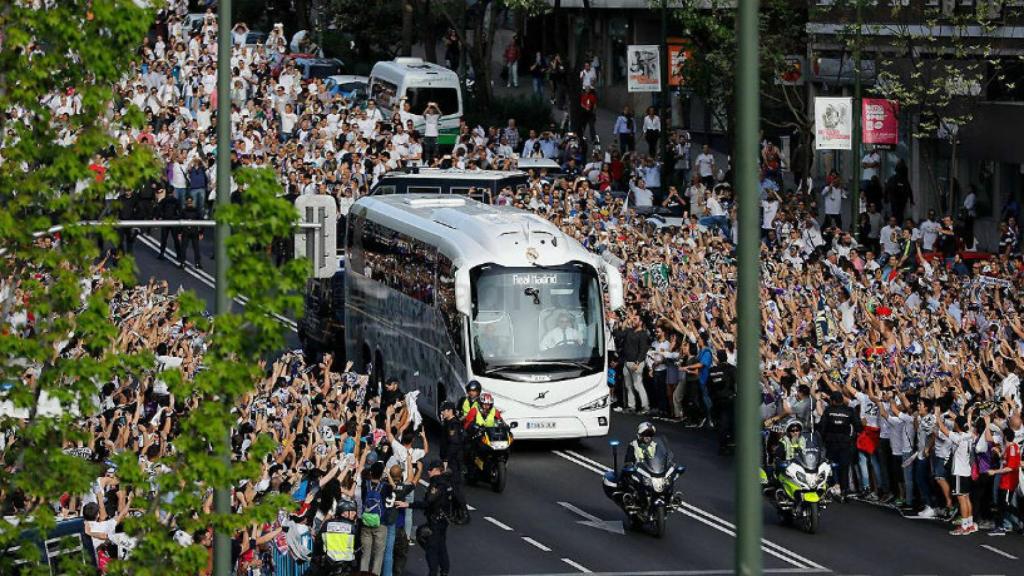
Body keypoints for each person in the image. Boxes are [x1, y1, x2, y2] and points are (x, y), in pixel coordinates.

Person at [395, 460, 452, 576]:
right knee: (441, 547)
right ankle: (444, 571)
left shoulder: (436, 483)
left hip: (435, 521)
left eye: (430, 469)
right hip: (444, 520)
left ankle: (433, 573)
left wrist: (408, 504)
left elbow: (428, 502)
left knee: (431, 550)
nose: (428, 471)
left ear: (436, 470)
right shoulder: (448, 482)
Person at [818, 391, 861, 498]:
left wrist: (823, 440)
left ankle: (833, 486)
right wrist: (851, 438)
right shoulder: (850, 410)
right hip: (845, 443)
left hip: (831, 443)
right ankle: (844, 490)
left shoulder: (828, 410)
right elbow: (858, 426)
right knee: (844, 467)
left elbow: (822, 427)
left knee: (830, 465)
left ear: (833, 401)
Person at [438, 401, 470, 525]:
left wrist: (446, 459)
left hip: (453, 461)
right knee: (450, 487)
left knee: (456, 488)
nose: (442, 412)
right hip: (450, 459)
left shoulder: (453, 425)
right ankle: (455, 512)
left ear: (450, 411)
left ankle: (464, 513)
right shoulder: (448, 423)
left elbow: (453, 444)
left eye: (444, 410)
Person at [314, 498, 359, 575]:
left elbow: (318, 542)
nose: (354, 515)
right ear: (344, 513)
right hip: (346, 565)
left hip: (329, 564)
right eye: (352, 512)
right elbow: (357, 545)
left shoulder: (326, 524)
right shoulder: (352, 527)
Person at [707, 350, 737, 453]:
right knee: (729, 422)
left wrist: (713, 398)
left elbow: (709, 386)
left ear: (718, 359)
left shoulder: (712, 371)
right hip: (729, 400)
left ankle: (723, 445)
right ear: (726, 357)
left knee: (721, 423)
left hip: (717, 400)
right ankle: (729, 444)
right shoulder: (732, 369)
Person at [154, 187, 183, 263]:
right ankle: (179, 255)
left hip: (165, 221)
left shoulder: (164, 200)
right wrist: (176, 218)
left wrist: (158, 217)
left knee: (164, 238)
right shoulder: (176, 201)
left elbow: (159, 210)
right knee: (175, 239)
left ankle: (162, 253)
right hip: (173, 221)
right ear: (173, 192)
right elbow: (180, 212)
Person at [180, 195, 203, 269]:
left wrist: (201, 232)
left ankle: (183, 262)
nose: (189, 203)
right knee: (194, 248)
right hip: (192, 231)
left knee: (187, 247)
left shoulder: (184, 211)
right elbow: (202, 221)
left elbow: (180, 222)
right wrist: (201, 232)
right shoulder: (196, 210)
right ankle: (196, 263)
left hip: (188, 231)